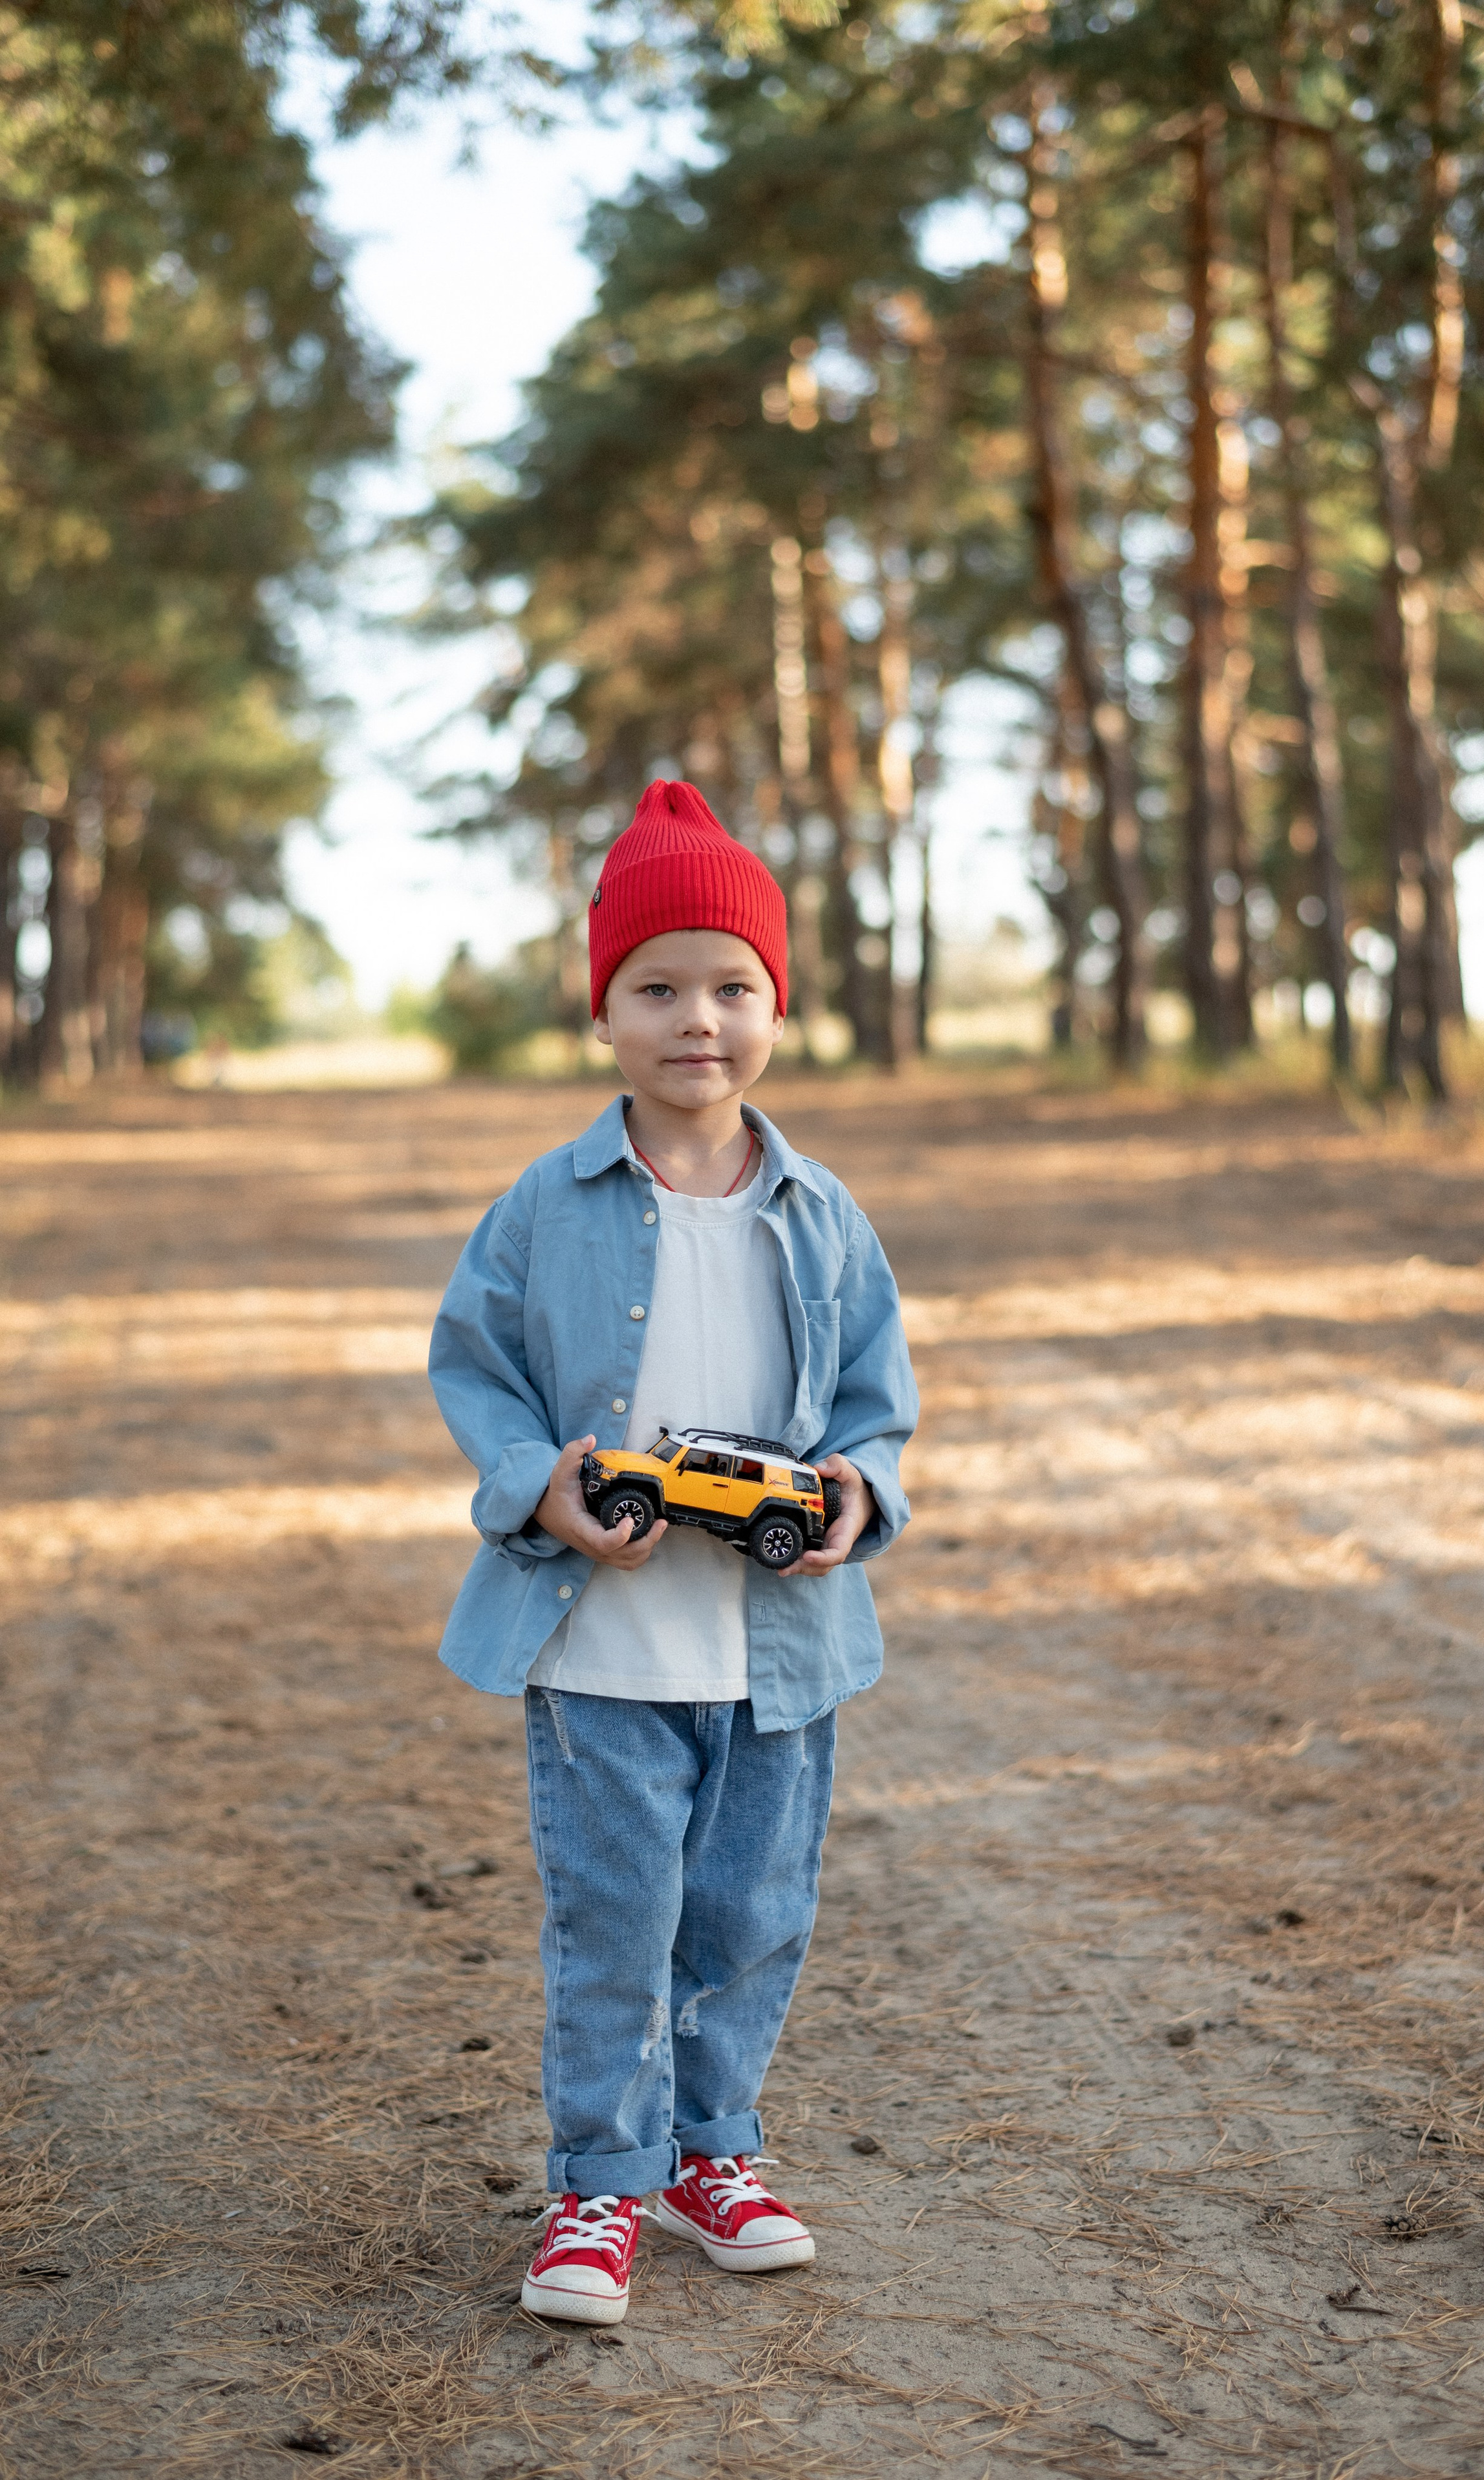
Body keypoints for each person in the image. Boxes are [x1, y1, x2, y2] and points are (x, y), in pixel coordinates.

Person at [428, 780, 919, 2326]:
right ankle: (596, 2182)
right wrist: (537, 1485)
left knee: (750, 1913)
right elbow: (475, 1366)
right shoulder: (545, 1205)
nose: (694, 1017)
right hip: (603, 1646)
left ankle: (716, 2152)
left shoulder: (823, 1214)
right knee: (617, 1918)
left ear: (776, 1003)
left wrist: (854, 1495)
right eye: (655, 987)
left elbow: (874, 1408)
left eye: (730, 985)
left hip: (777, 1657)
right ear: (604, 1013)